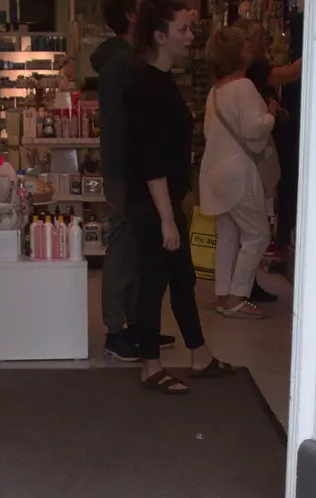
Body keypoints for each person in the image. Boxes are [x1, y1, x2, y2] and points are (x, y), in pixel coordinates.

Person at [125, 0, 236, 394]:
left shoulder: (161, 79)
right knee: (155, 282)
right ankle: (150, 365)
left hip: (165, 199)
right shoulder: (145, 84)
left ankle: (199, 354)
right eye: (183, 31)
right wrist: (167, 217)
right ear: (159, 35)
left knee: (182, 279)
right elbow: (150, 158)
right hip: (154, 202)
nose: (191, 38)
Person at [199, 25, 276, 319]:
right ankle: (237, 296)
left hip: (215, 171)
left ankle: (223, 294)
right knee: (257, 234)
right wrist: (270, 113)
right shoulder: (244, 87)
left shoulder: (215, 92)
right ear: (238, 52)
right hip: (238, 172)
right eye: (246, 46)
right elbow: (255, 129)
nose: (250, 49)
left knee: (228, 235)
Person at [91, 1, 143, 361]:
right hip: (126, 169)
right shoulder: (120, 65)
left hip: (127, 168)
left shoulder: (122, 61)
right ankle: (116, 331)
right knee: (124, 246)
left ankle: (133, 324)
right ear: (131, 15)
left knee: (132, 246)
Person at [239, 18, 302, 300]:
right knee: (255, 229)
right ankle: (241, 289)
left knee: (240, 230)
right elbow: (288, 74)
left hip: (245, 154)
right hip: (254, 154)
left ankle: (238, 289)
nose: (269, 41)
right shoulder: (258, 68)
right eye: (264, 36)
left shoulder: (238, 75)